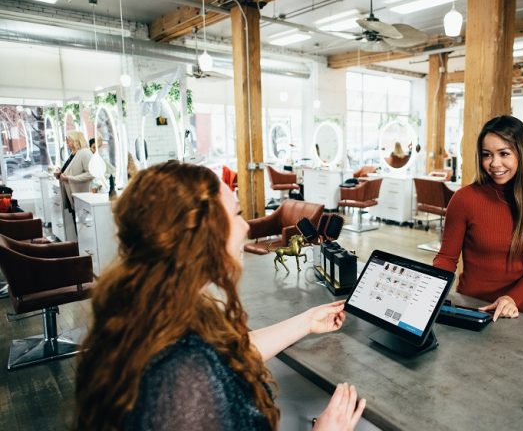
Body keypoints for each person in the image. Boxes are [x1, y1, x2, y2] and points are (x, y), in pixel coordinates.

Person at [74, 161, 365, 430]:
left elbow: (227, 354)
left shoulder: (153, 308)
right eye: (237, 214)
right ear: (201, 234)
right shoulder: (183, 380)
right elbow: (204, 366)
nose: (246, 227)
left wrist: (306, 321)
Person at [433, 116, 523, 320]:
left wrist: (511, 299)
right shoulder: (465, 199)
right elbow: (447, 259)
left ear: (522, 154)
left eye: (504, 153)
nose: (494, 163)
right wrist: (430, 288)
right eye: (487, 155)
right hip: (470, 308)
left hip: (517, 312)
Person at [58, 130, 93, 212]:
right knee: (75, 219)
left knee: (80, 221)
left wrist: (69, 178)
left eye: (68, 140)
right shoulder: (73, 153)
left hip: (81, 194)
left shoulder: (85, 153)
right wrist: (60, 174)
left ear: (76, 140)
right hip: (71, 192)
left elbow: (91, 174)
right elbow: (68, 170)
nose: (66, 142)